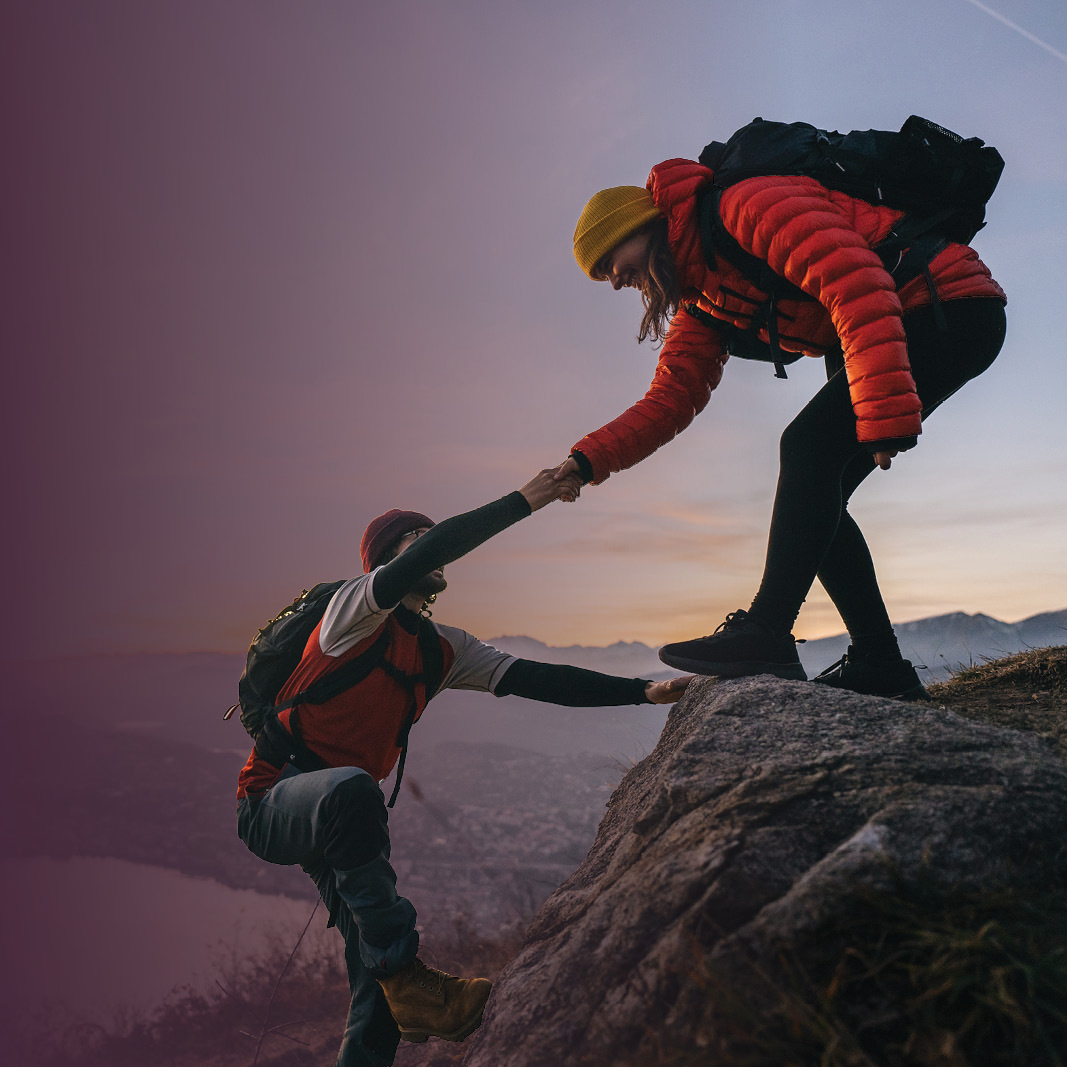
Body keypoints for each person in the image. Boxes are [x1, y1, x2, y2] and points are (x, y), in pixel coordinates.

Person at [235, 469, 692, 1067]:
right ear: (383, 563)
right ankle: (406, 973)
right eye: (415, 541)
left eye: (430, 536)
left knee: (377, 990)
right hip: (274, 799)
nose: (430, 544)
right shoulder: (351, 613)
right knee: (380, 914)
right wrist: (530, 498)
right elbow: (434, 547)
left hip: (343, 820)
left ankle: (392, 1000)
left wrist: (644, 692)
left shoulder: (440, 649)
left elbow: (535, 678)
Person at [555, 156, 1006, 700]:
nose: (615, 281)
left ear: (638, 225)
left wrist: (883, 412)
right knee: (817, 492)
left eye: (610, 262)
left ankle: (767, 631)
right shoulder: (703, 296)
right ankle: (879, 662)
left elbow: (855, 280)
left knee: (806, 450)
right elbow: (671, 398)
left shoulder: (746, 205)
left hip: (945, 301)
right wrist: (586, 461)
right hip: (893, 322)